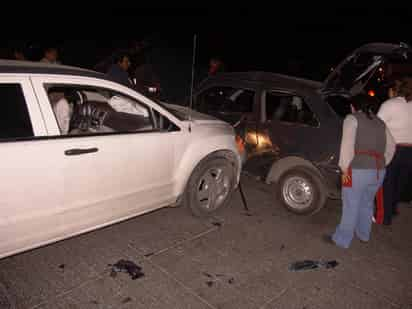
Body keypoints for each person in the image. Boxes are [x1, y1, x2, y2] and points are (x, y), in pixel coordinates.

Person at [324, 94, 395, 249]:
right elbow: (391, 146)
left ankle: (342, 239)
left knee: (350, 204)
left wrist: (344, 170)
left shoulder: (351, 119)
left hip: (356, 170)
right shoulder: (381, 123)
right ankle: (364, 234)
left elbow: (347, 147)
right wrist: (383, 162)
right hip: (378, 171)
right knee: (367, 203)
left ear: (353, 107)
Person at [378, 76, 412, 225]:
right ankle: (393, 208)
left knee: (388, 182)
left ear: (396, 89)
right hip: (410, 151)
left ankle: (386, 217)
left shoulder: (389, 105)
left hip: (393, 149)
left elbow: (377, 126)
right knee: (400, 182)